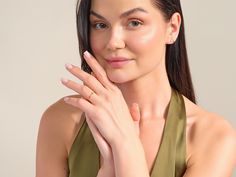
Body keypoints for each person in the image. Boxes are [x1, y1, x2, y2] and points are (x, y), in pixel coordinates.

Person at [36, 0, 236, 176]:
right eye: (100, 24)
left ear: (172, 28)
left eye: (134, 22)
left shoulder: (212, 136)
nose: (113, 41)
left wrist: (126, 147)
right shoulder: (61, 121)